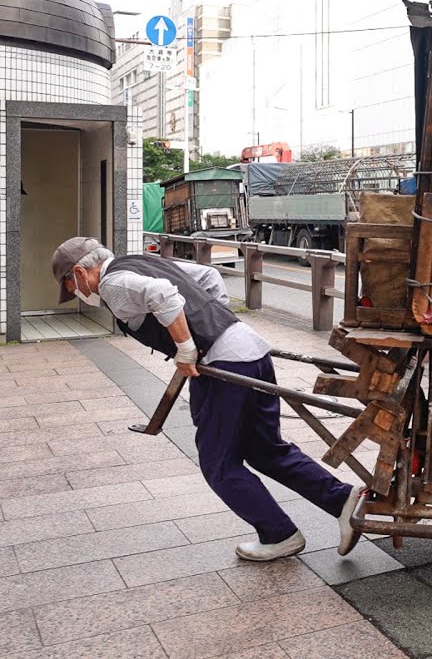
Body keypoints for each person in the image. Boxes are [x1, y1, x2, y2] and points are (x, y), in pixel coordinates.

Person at [51, 237, 364, 562]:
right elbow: (208, 277)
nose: (76, 292)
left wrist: (188, 345)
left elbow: (162, 294)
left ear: (79, 272)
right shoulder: (140, 261)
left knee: (219, 463)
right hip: (249, 349)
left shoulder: (113, 283)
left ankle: (279, 534)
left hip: (223, 364)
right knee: (266, 450)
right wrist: (213, 325)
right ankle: (343, 501)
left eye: (70, 286)